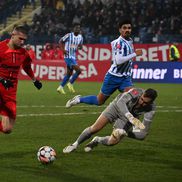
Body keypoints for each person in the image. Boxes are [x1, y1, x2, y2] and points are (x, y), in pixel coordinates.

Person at [65, 19, 143, 108]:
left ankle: (124, 116)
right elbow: (118, 61)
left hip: (125, 78)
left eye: (129, 28)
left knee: (134, 96)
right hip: (113, 77)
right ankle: (78, 99)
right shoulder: (119, 43)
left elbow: (115, 59)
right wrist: (135, 54)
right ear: (120, 30)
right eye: (124, 28)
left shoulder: (130, 41)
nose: (127, 30)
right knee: (99, 101)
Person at [63, 88, 158, 153]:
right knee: (95, 128)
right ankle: (74, 145)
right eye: (141, 99)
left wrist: (125, 133)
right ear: (142, 94)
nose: (142, 103)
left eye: (145, 102)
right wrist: (129, 116)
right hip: (116, 107)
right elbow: (121, 102)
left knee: (113, 142)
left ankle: (97, 140)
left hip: (127, 119)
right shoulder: (136, 92)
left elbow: (143, 134)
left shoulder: (151, 110)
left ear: (151, 102)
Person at [0, 25, 42, 134]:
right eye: (20, 39)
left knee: (7, 129)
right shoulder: (1, 48)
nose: (22, 42)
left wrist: (34, 80)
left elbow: (27, 67)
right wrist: (1, 79)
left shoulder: (23, 53)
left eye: (24, 40)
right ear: (13, 35)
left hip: (11, 92)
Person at [57, 23, 83, 94]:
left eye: (78, 28)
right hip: (68, 56)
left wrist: (80, 47)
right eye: (76, 28)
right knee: (79, 70)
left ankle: (60, 88)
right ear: (73, 29)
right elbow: (60, 41)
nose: (77, 29)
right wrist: (63, 50)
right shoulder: (69, 35)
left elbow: (80, 46)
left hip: (73, 56)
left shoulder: (80, 37)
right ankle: (70, 83)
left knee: (69, 74)